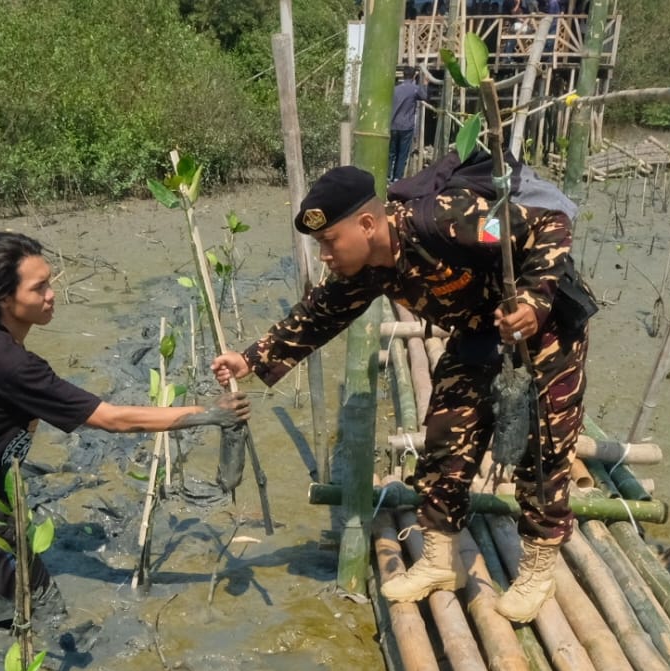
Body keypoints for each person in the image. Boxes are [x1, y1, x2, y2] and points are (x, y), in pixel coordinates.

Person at [211, 165, 590, 623]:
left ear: (368, 225)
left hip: (544, 333)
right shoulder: (367, 268)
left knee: (543, 448)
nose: (325, 255)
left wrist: (533, 301)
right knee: (446, 438)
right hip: (478, 332)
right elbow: (316, 316)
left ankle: (536, 570)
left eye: (330, 241)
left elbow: (546, 225)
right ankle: (439, 559)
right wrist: (251, 359)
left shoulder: (446, 220)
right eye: (320, 245)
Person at [0, 231, 249, 614]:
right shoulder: (10, 364)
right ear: (3, 298)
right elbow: (112, 419)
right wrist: (207, 413)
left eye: (50, 282)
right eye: (39, 287)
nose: (51, 294)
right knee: (44, 618)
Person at [389, 69, 428, 184]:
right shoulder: (414, 89)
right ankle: (396, 178)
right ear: (414, 76)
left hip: (393, 125)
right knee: (402, 153)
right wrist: (425, 85)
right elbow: (424, 96)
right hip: (406, 127)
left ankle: (387, 176)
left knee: (391, 152)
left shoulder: (395, 89)